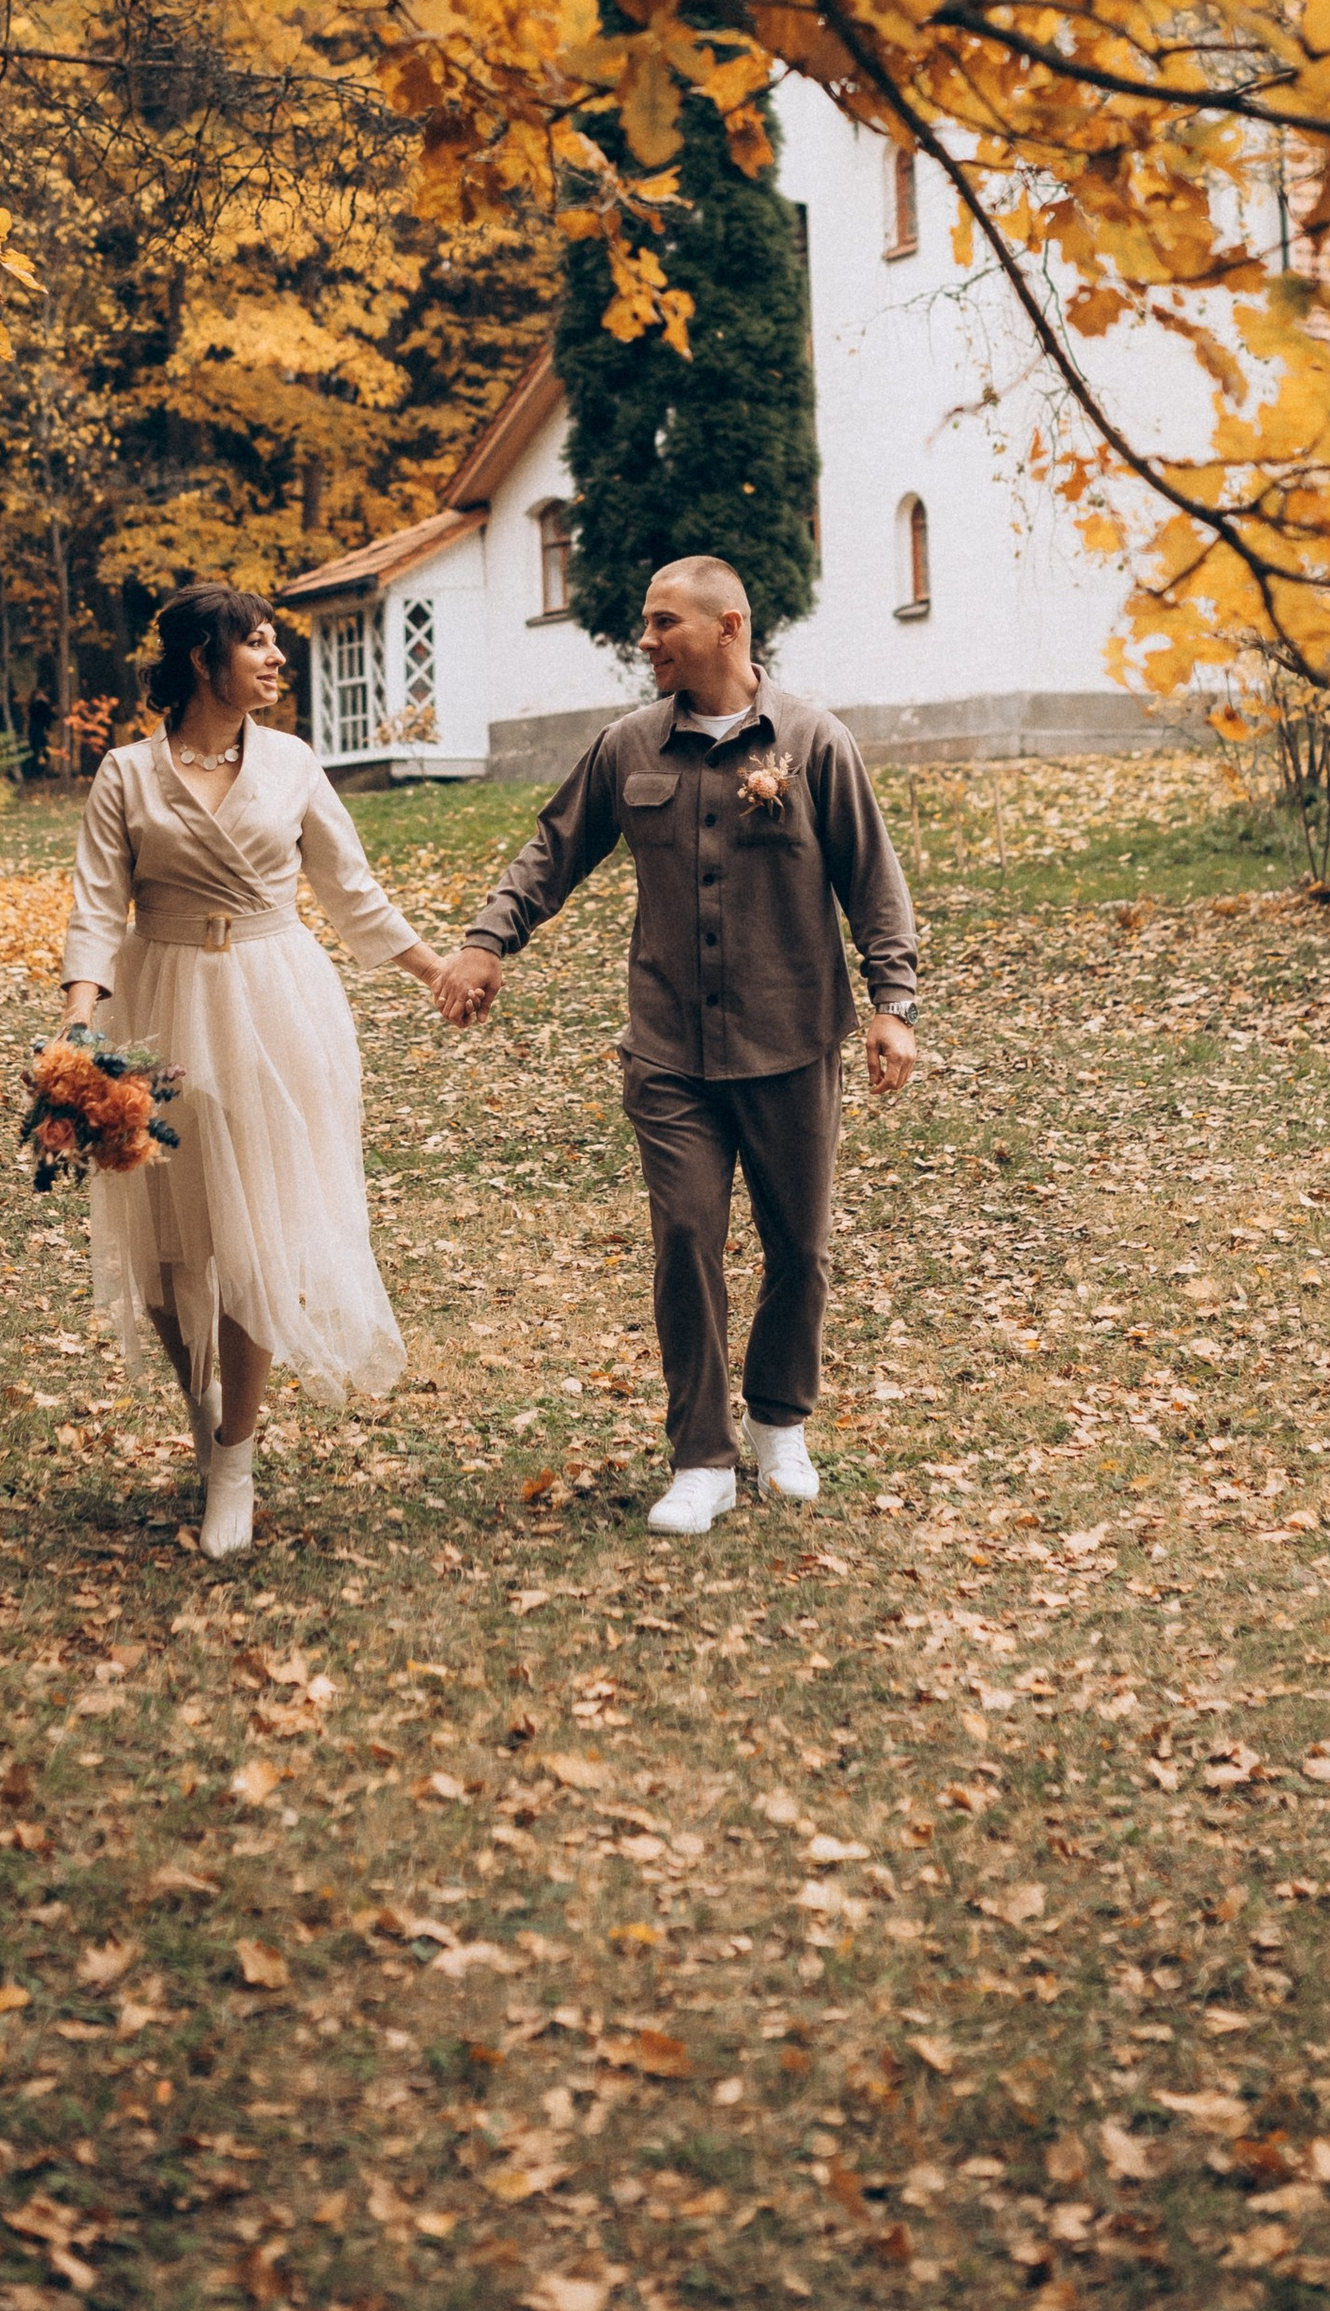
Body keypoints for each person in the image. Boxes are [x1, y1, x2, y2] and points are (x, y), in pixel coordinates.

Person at [432, 556, 916, 1536]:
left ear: (727, 626)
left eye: (662, 622)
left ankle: (778, 1417)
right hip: (667, 1050)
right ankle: (702, 1455)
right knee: (686, 1239)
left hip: (789, 1039)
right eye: (642, 623)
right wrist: (486, 941)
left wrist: (891, 1002)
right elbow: (549, 850)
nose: (643, 640)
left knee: (799, 1249)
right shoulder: (625, 747)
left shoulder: (814, 742)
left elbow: (874, 881)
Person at [59, 583, 443, 1560]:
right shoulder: (127, 776)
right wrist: (75, 1025)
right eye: (258, 643)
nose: (277, 659)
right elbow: (100, 908)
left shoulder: (293, 762)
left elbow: (350, 890)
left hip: (276, 1000)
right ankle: (205, 1414)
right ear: (203, 659)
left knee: (254, 1231)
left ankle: (235, 1459)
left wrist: (434, 969)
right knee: (166, 1247)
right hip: (159, 1001)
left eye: (276, 643)